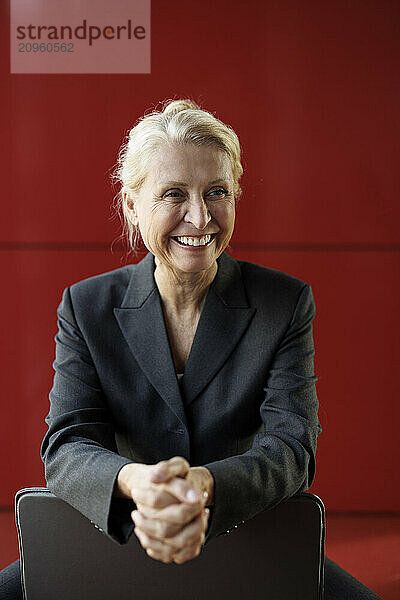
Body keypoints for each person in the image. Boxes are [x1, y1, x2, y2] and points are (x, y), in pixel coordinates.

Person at [0, 99, 382, 599]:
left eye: (217, 191)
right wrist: (139, 484)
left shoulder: (285, 303)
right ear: (132, 206)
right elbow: (67, 447)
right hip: (118, 537)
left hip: (249, 533)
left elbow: (292, 449)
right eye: (174, 194)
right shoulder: (85, 306)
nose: (200, 217)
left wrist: (201, 486)